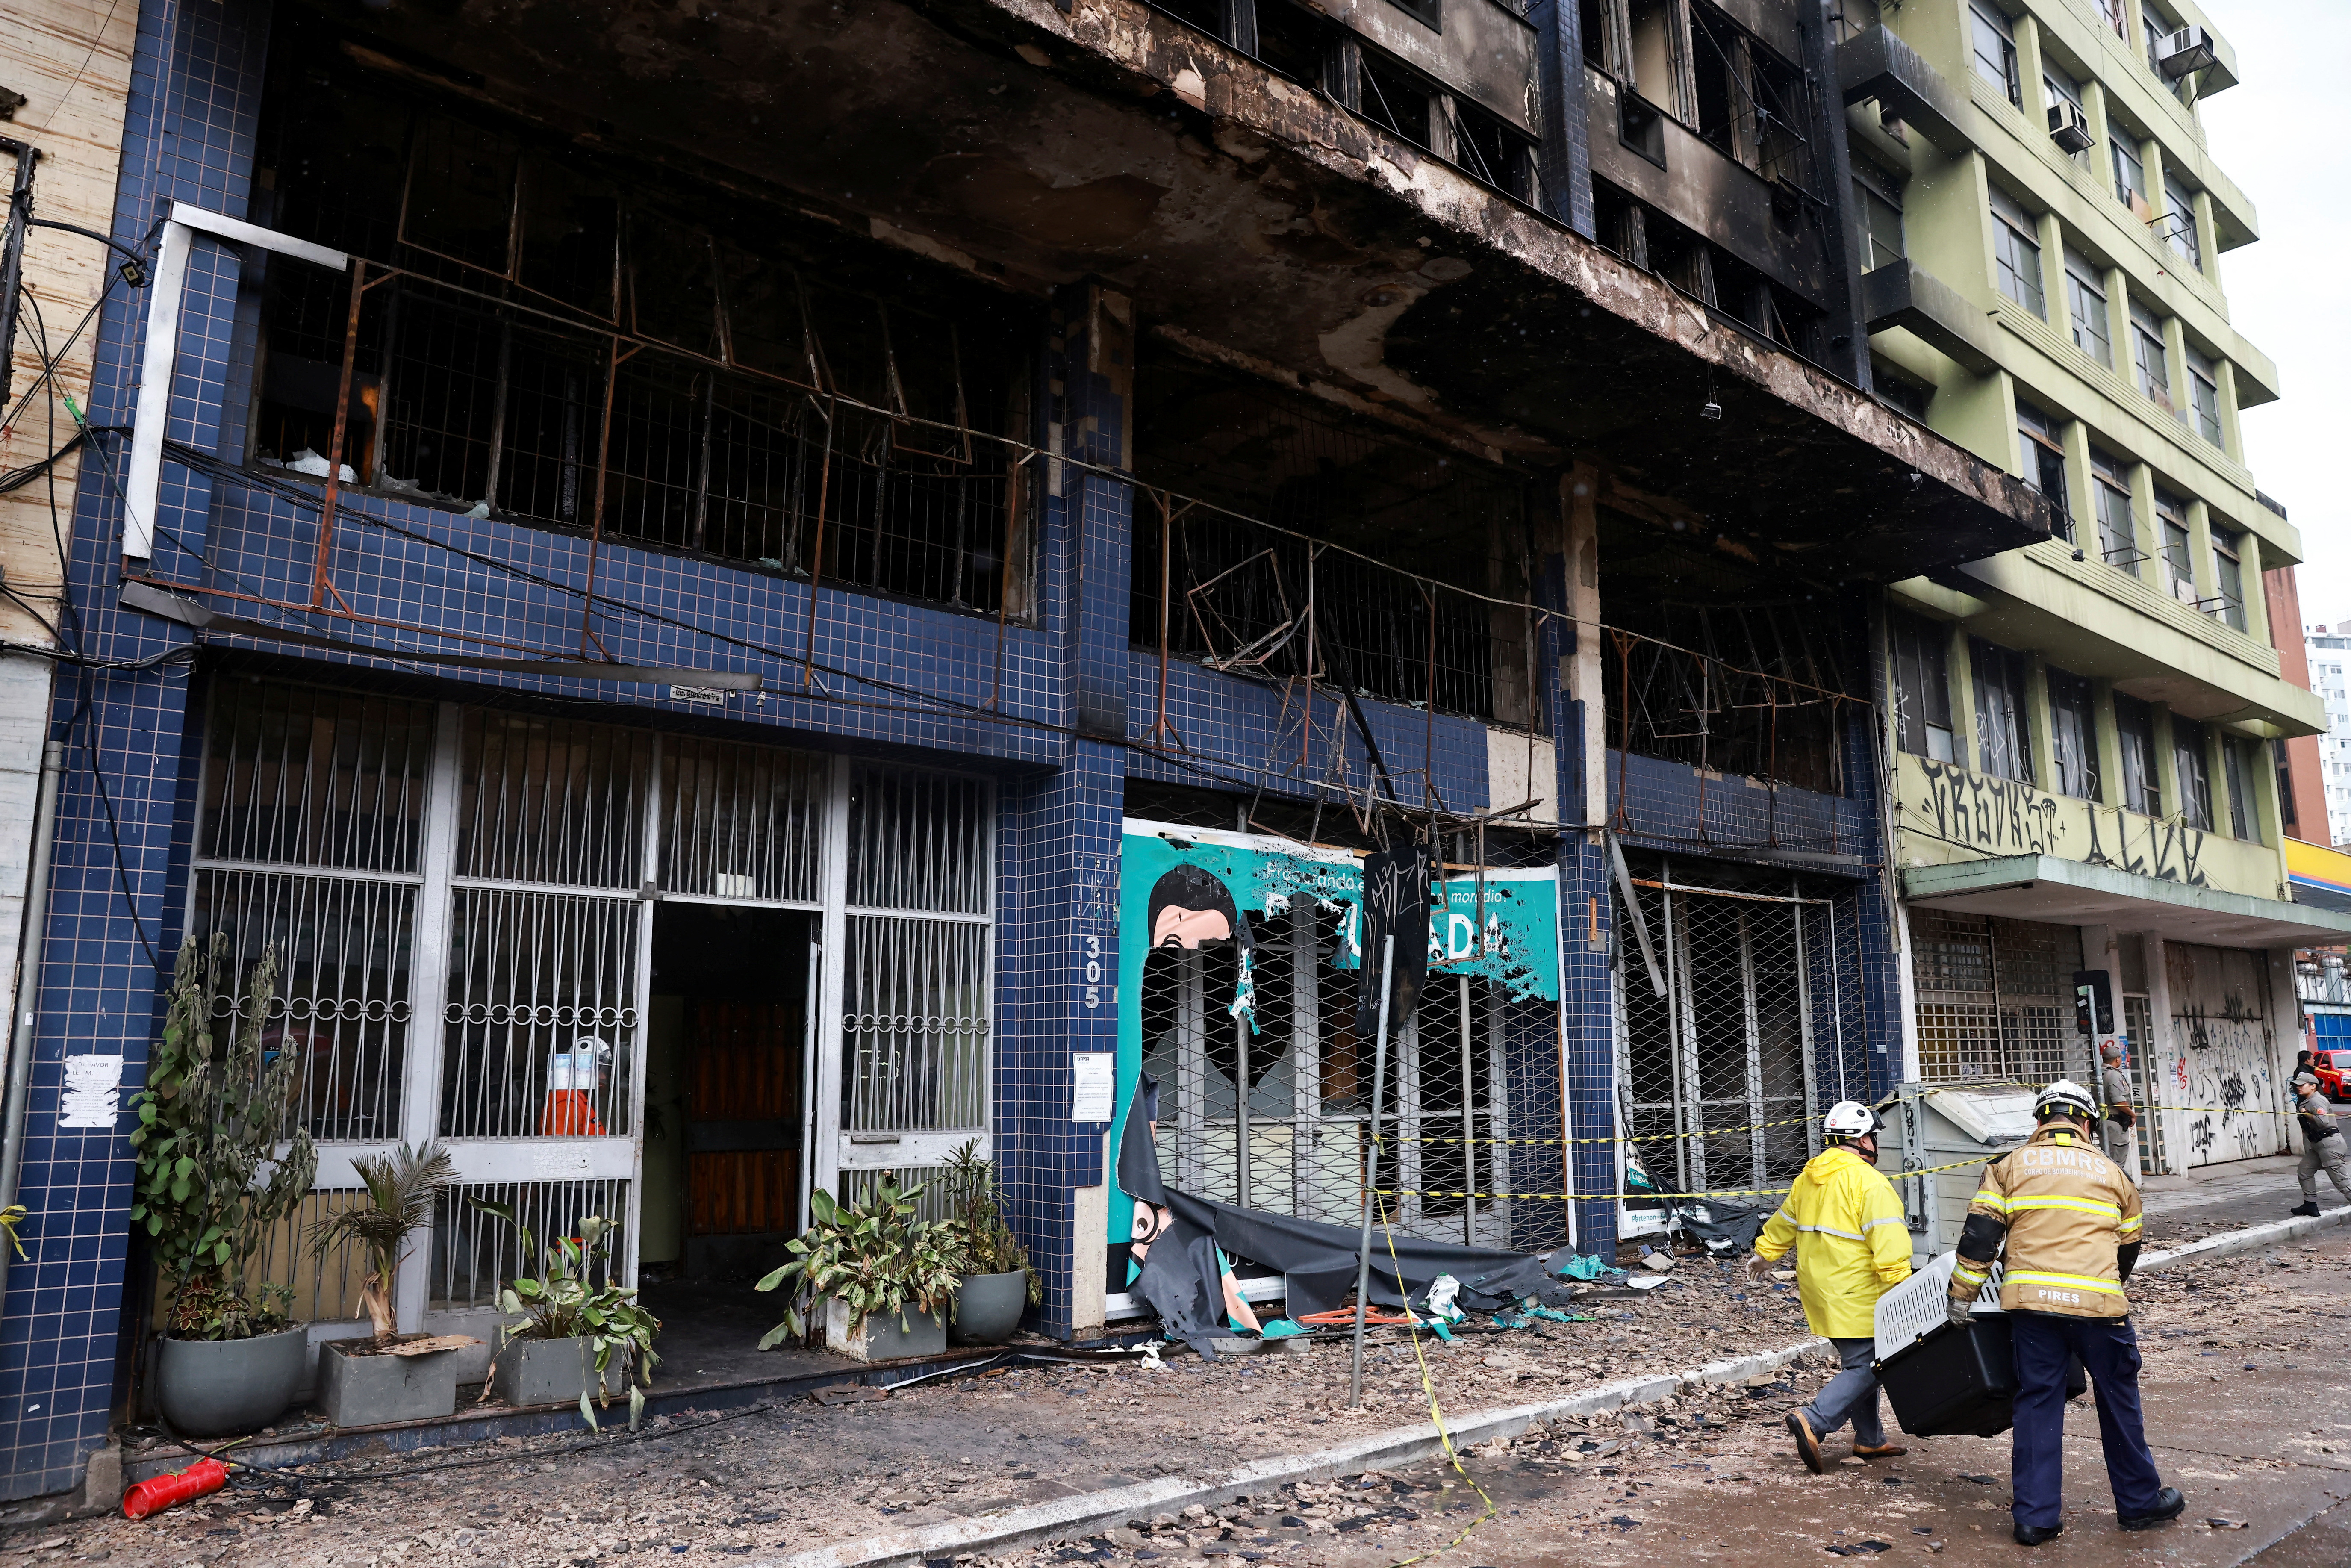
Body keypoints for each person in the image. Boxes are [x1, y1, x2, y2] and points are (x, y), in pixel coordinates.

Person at [1947, 1080, 2184, 1545]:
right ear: (2088, 1123)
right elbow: (2127, 1248)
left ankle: (2035, 1518)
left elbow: (1980, 1238)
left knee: (2037, 1399)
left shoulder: (2007, 1166)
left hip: (2032, 1309)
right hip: (2099, 1310)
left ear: (2039, 1122)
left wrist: (1961, 1295)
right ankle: (2137, 1504)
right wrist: (2098, 1287)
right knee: (2118, 1398)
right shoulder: (2113, 1172)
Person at [1748, 1101, 1912, 1474]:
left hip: (1819, 1290)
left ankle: (1869, 1439)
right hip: (1857, 1291)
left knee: (1861, 1361)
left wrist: (1765, 1254)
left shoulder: (1809, 1178)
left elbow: (1784, 1222)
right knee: (1872, 1364)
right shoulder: (1870, 1183)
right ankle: (1815, 1420)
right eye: (1873, 1135)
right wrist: (1903, 1289)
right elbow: (1889, 1244)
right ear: (1861, 1141)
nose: (1875, 1142)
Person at [2290, 1075, 2348, 1217]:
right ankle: (2310, 1205)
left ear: (2313, 1086)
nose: (2298, 1087)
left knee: (2341, 1181)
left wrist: (2306, 1114)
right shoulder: (2309, 1101)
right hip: (2319, 1145)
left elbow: (2323, 1122)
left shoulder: (2316, 1100)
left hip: (2330, 1144)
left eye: (2302, 1085)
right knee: (2305, 1171)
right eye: (2297, 1085)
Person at [2098, 1039, 2139, 1180]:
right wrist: (2132, 1115)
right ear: (2117, 1059)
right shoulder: (2114, 1075)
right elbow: (2119, 1101)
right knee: (2117, 1162)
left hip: (2104, 1122)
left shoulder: (2098, 1073)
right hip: (2115, 1123)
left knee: (2107, 1159)